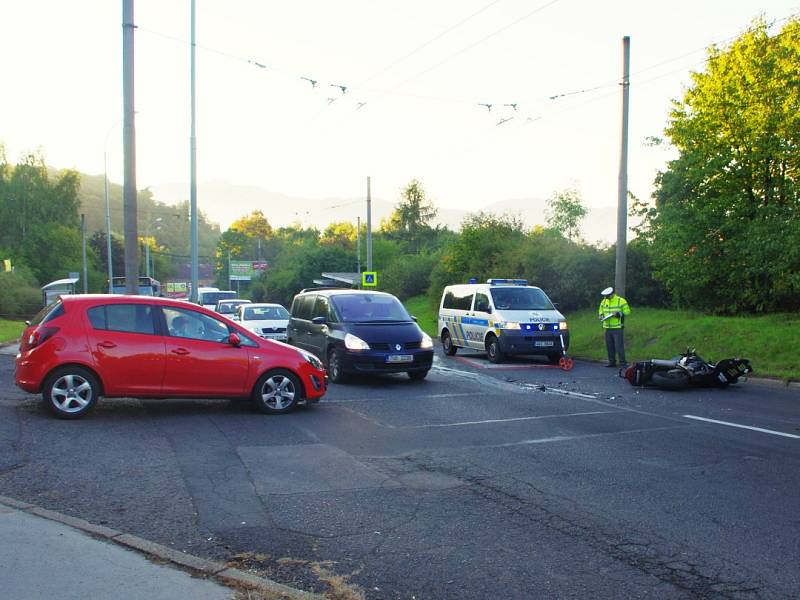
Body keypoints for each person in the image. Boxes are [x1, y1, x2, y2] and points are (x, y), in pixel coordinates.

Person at [598, 286, 631, 367]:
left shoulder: (621, 300)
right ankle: (612, 362)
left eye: (607, 296)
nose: (605, 297)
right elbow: (600, 311)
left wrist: (618, 314)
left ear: (612, 294)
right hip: (607, 328)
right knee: (609, 346)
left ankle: (623, 363)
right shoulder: (604, 301)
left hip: (617, 328)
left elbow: (627, 311)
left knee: (619, 346)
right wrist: (601, 316)